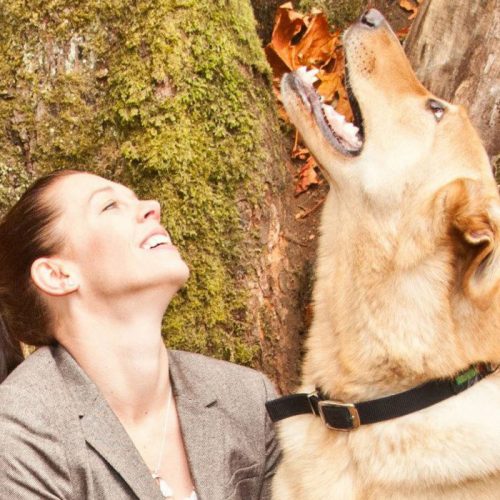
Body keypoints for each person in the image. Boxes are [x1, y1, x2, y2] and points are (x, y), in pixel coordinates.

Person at [0, 169, 280, 499]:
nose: (152, 207)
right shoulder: (20, 432)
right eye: (109, 206)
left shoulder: (248, 398)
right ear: (57, 275)